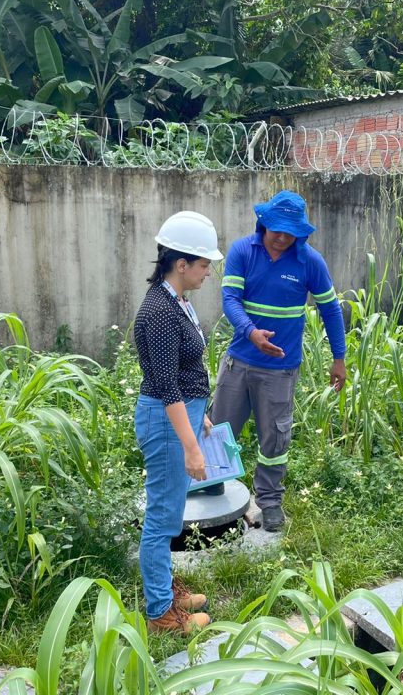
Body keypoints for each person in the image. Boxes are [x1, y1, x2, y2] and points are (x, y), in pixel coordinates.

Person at [210, 190, 347, 531]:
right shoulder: (243, 250)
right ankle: (210, 487)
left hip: (280, 371)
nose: (283, 238)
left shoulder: (309, 261)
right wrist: (250, 332)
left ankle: (269, 501)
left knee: (275, 438)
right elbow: (229, 298)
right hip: (239, 362)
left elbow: (330, 309)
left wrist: (339, 358)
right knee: (219, 430)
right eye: (277, 230)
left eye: (291, 232)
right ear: (264, 223)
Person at [133, 211, 224, 634]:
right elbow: (166, 385)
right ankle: (160, 614)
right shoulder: (161, 313)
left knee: (168, 513)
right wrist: (190, 445)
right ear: (181, 263)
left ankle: (164, 589)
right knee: (162, 520)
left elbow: (180, 372)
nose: (209, 272)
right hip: (168, 419)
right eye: (205, 264)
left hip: (181, 414)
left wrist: (199, 413)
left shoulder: (176, 302)